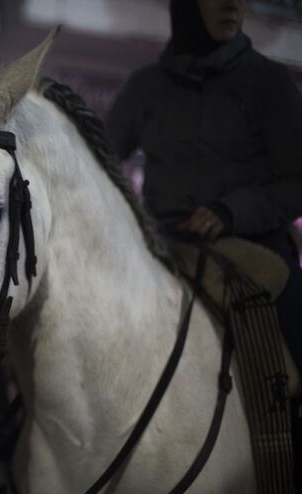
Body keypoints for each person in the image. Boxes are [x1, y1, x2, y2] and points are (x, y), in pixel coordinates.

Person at [105, 0, 302, 373]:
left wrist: (231, 211)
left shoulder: (269, 82)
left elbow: (297, 180)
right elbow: (101, 158)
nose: (232, 5)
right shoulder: (146, 86)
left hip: (252, 244)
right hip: (164, 245)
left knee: (295, 312)